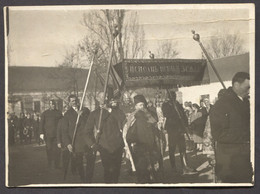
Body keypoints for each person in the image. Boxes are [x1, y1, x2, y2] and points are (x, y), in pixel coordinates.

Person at [210, 72, 252, 183]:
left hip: (245, 159)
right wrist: (248, 136)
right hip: (230, 163)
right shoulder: (221, 105)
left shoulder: (246, 102)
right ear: (237, 85)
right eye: (247, 88)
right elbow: (218, 134)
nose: (249, 91)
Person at [84, 93, 125, 183]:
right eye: (103, 96)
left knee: (116, 171)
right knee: (108, 170)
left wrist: (109, 110)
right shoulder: (94, 114)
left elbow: (123, 120)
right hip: (104, 147)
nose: (106, 98)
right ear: (98, 99)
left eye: (107, 96)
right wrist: (92, 144)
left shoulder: (116, 111)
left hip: (118, 145)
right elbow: (87, 132)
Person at [125, 94, 163, 183]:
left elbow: (156, 126)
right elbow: (128, 131)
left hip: (151, 144)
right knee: (142, 168)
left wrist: (159, 125)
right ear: (135, 106)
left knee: (154, 166)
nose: (142, 107)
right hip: (139, 146)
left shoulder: (150, 114)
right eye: (139, 105)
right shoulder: (132, 116)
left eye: (143, 105)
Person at [162, 91, 196, 175]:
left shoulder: (178, 104)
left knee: (182, 148)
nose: (173, 97)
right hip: (172, 129)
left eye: (174, 95)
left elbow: (183, 116)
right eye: (171, 96)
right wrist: (174, 109)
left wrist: (186, 125)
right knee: (172, 149)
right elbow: (167, 114)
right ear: (168, 96)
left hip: (180, 129)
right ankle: (173, 168)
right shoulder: (165, 105)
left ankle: (185, 166)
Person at [62, 94, 91, 182]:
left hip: (86, 140)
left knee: (89, 160)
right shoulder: (67, 114)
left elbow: (90, 122)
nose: (75, 103)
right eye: (72, 101)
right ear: (69, 103)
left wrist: (82, 115)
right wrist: (68, 143)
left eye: (75, 100)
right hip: (75, 141)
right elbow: (64, 131)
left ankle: (88, 177)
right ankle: (83, 178)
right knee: (79, 160)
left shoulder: (85, 111)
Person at [39, 100, 62, 169]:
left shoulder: (59, 113)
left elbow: (62, 123)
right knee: (49, 149)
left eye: (54, 104)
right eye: (51, 104)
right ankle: (50, 163)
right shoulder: (45, 113)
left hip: (57, 135)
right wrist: (41, 133)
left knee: (57, 150)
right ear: (49, 105)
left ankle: (56, 164)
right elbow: (41, 124)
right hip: (48, 135)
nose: (53, 105)